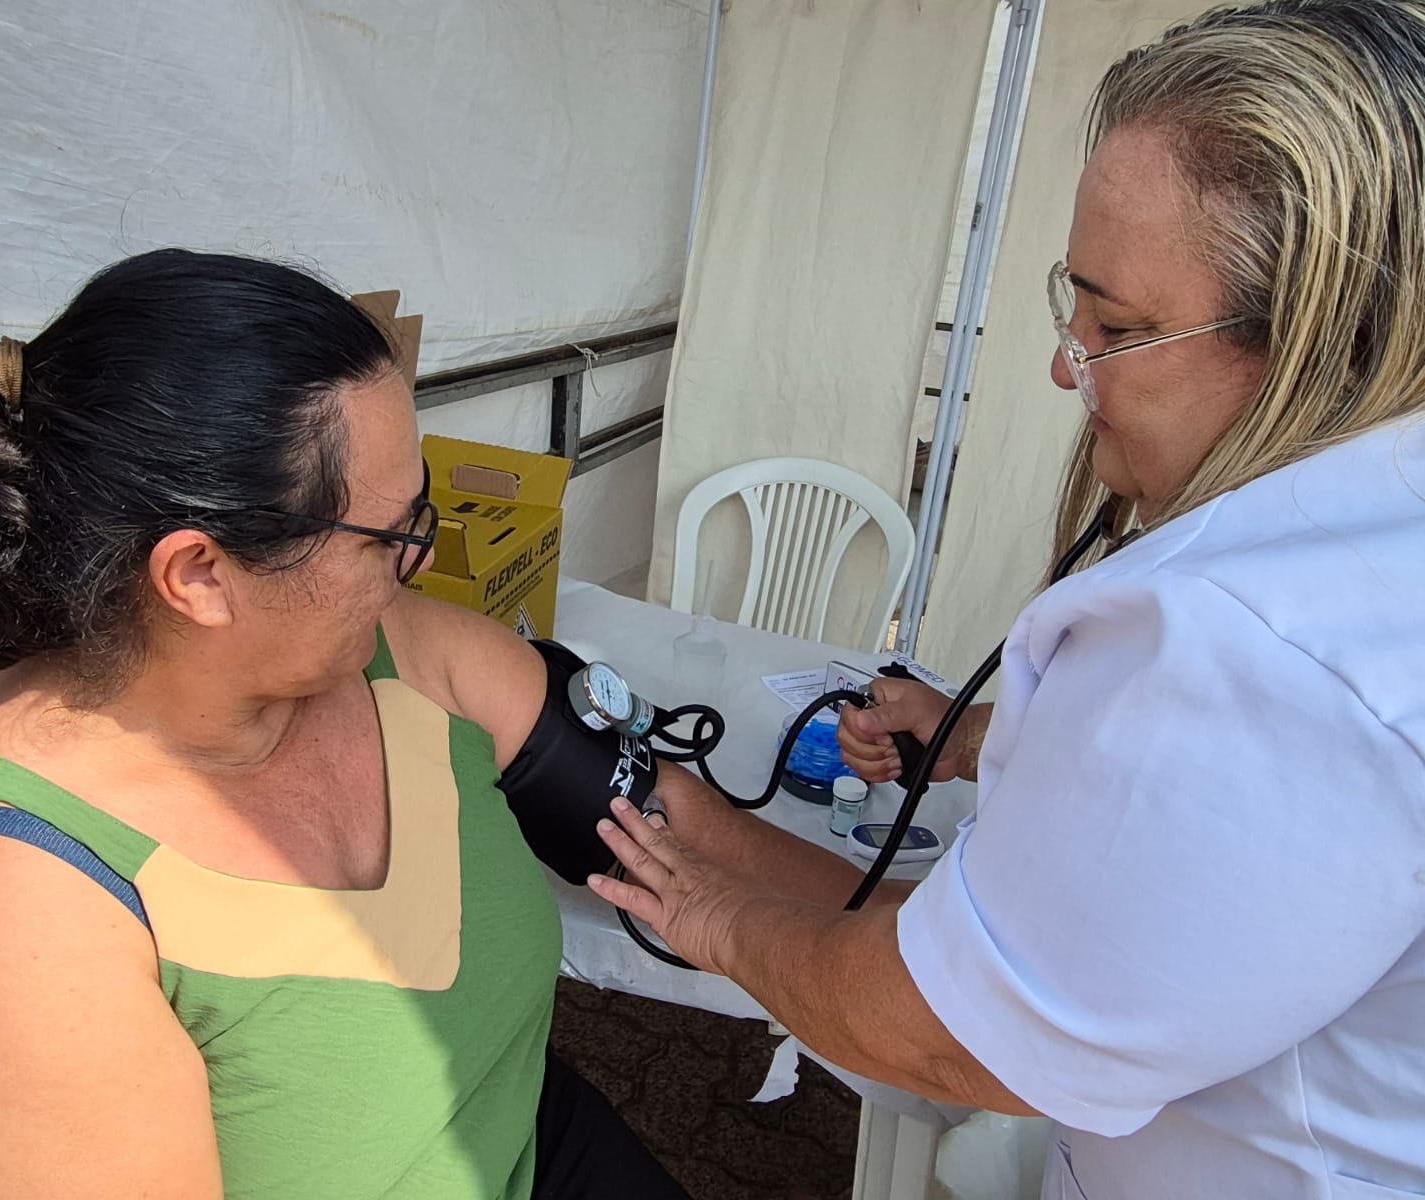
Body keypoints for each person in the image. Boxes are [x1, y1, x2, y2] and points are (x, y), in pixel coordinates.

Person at [591, 2, 1425, 1195]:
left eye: (1116, 326)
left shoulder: (1247, 643)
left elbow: (949, 1036)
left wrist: (717, 917)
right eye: (1071, 305)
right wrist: (976, 735)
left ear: (1317, 338)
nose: (1063, 363)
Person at [0, 249, 688, 1200]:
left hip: (534, 1135)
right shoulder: (9, 921)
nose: (418, 560)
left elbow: (664, 812)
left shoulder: (376, 647)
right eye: (390, 534)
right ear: (200, 575)